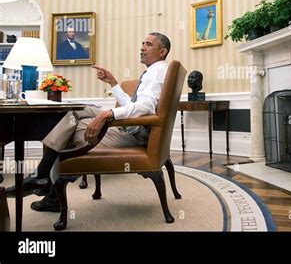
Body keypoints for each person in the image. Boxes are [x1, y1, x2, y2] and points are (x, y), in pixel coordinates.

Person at [5, 32, 171, 212]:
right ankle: (43, 177)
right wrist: (112, 82)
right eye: (142, 43)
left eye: (148, 44)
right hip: (132, 124)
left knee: (68, 128)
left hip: (134, 133)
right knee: (76, 111)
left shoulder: (158, 72)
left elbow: (146, 107)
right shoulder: (154, 71)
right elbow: (134, 105)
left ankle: (47, 186)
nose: (142, 47)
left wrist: (106, 114)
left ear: (162, 52)